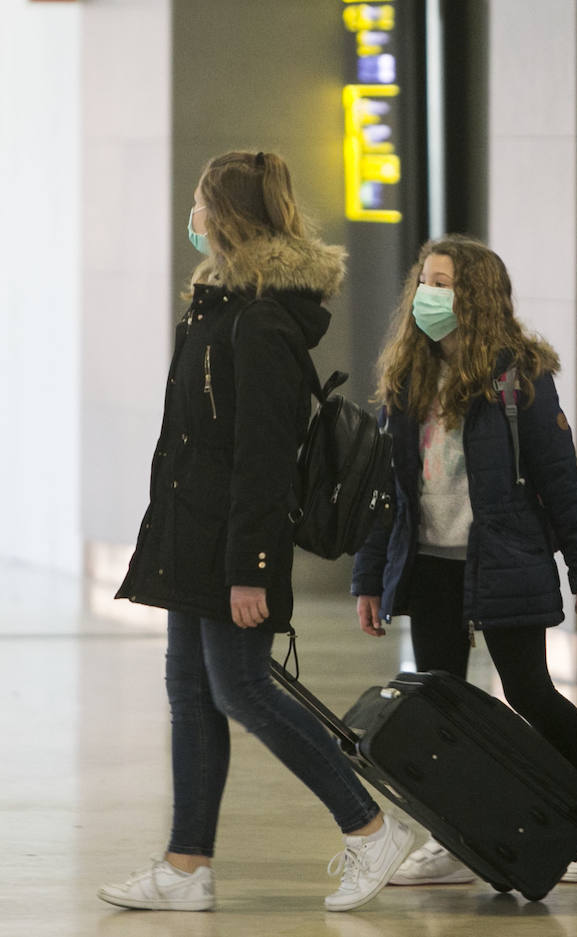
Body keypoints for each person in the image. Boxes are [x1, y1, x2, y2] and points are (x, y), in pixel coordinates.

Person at [104, 151, 418, 913]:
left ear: (229, 216)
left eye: (202, 203)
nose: (194, 216)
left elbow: (264, 457)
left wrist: (251, 564)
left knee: (242, 686)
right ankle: (186, 865)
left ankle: (370, 827)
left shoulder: (263, 321)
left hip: (232, 540)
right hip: (194, 532)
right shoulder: (220, 306)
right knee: (190, 688)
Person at [349, 234, 577, 887]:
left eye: (448, 284)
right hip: (429, 565)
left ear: (480, 297)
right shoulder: (407, 376)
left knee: (529, 693)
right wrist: (368, 576)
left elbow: (561, 480)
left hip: (503, 559)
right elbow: (387, 493)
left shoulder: (517, 377)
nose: (432, 296)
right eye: (427, 282)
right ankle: (458, 840)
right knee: (441, 710)